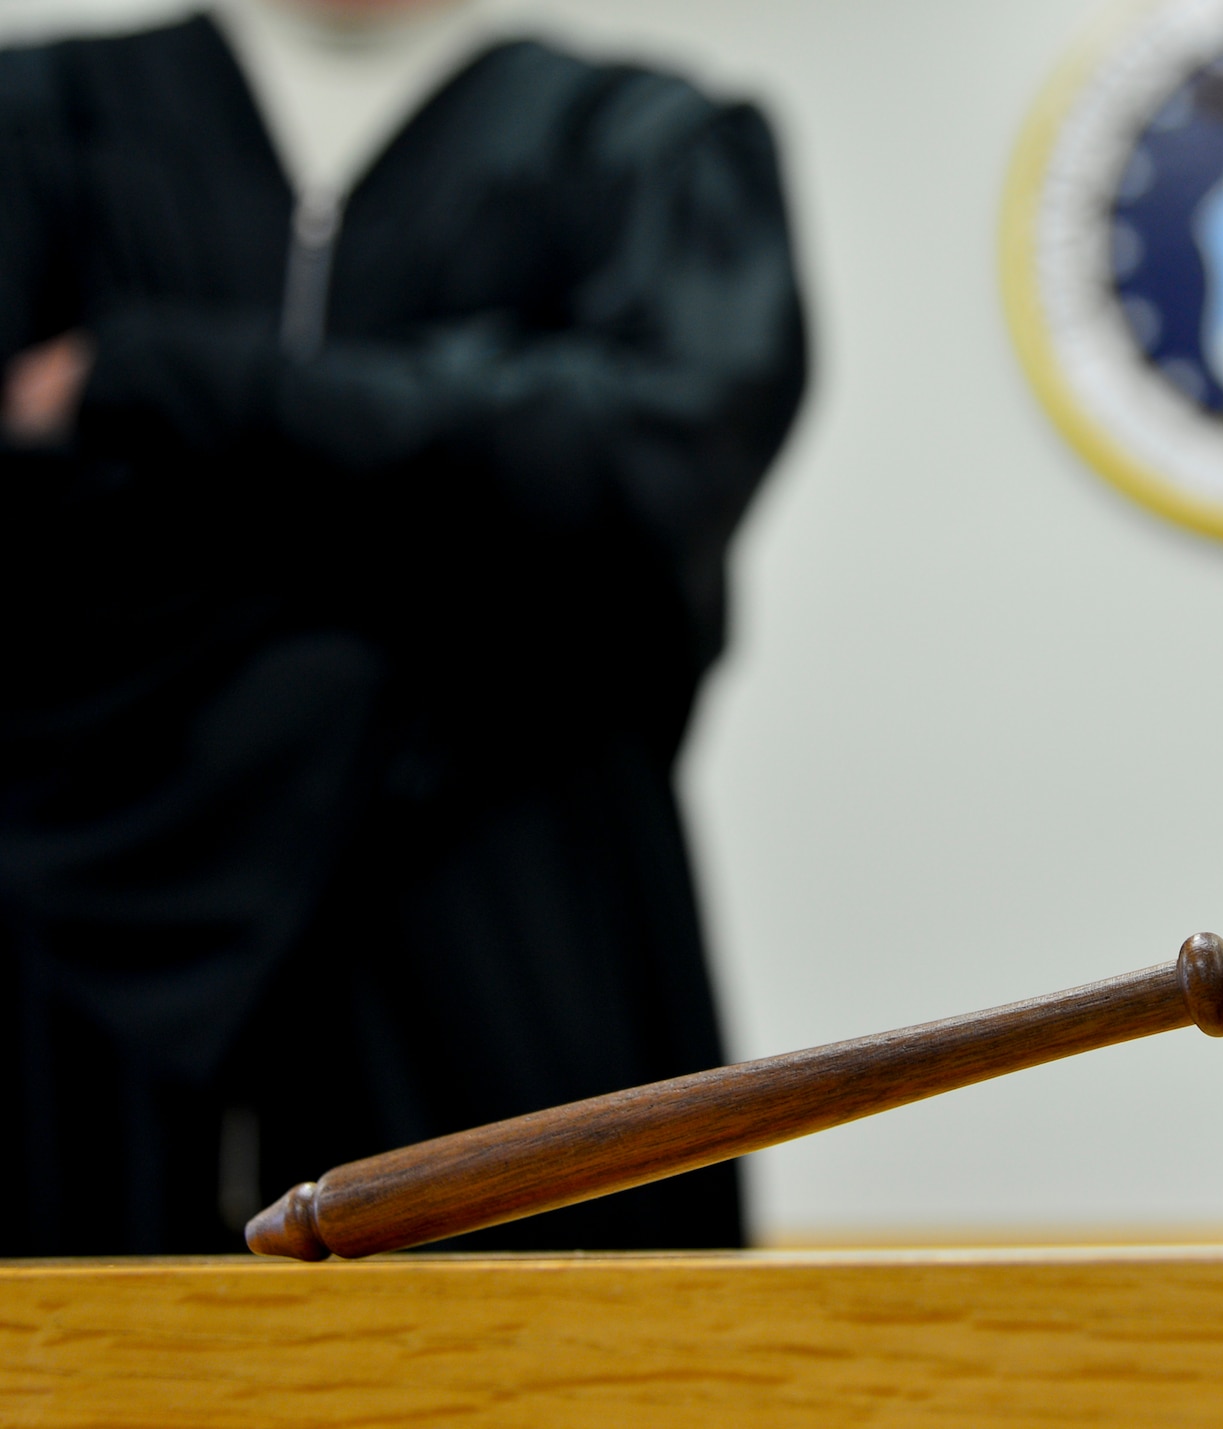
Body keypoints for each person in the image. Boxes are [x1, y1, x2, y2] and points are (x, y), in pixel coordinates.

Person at [0, 0, 807, 1255]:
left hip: (516, 910)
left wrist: (151, 383)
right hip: (82, 921)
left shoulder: (643, 144)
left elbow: (658, 457)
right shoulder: (38, 125)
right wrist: (469, 501)